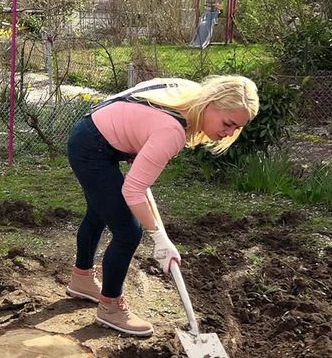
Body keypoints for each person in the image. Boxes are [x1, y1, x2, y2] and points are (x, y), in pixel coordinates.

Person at [65, 75, 259, 336]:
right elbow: (133, 190)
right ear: (212, 103)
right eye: (228, 123)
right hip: (92, 148)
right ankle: (110, 307)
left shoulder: (190, 94)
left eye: (237, 128)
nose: (229, 132)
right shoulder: (172, 131)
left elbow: (134, 99)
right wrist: (159, 238)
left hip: (93, 132)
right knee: (128, 232)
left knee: (99, 212)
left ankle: (81, 280)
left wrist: (137, 139)